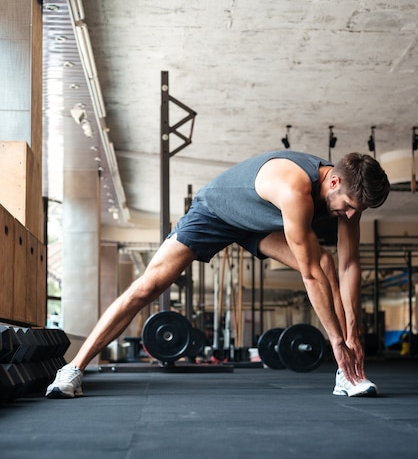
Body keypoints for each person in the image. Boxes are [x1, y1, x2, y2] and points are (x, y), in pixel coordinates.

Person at [46, 150, 390, 399]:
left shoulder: (349, 198)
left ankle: (346, 375)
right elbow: (311, 276)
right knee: (147, 286)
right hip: (216, 212)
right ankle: (73, 368)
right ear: (333, 180)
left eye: (355, 211)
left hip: (259, 221)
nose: (347, 215)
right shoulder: (294, 190)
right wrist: (335, 340)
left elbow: (348, 266)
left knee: (329, 264)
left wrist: (353, 333)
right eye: (346, 206)